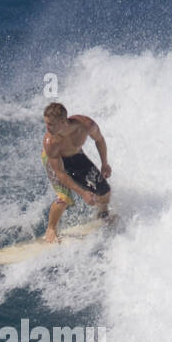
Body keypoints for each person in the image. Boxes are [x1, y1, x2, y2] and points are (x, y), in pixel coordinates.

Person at [40, 102, 112, 242]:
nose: (47, 128)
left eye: (51, 124)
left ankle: (102, 214)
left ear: (63, 122)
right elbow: (60, 173)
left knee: (104, 191)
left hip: (76, 155)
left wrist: (104, 164)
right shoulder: (50, 142)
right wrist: (83, 193)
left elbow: (99, 140)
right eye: (46, 123)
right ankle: (51, 228)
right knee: (64, 198)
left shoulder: (86, 125)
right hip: (54, 159)